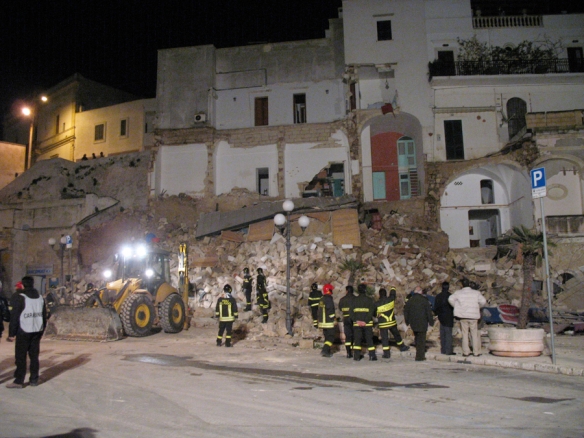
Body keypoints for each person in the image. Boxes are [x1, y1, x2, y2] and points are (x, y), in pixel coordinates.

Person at [7, 276, 47, 388]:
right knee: (34, 357)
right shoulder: (40, 298)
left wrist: (11, 334)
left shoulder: (21, 297)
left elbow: (15, 317)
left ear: (23, 285)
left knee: (21, 357)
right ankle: (34, 379)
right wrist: (42, 331)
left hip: (24, 331)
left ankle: (19, 381)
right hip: (36, 331)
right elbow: (44, 316)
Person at [448, 278, 487, 357]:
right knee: (474, 334)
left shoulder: (458, 293)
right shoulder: (476, 293)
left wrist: (457, 307)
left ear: (462, 285)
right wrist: (478, 307)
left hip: (463, 316)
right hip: (473, 316)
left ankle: (466, 352)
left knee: (465, 334)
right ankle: (476, 352)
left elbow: (450, 299)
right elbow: (483, 301)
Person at [375, 287, 409, 359]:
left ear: (379, 295)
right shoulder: (390, 300)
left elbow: (373, 312)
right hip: (391, 322)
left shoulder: (377, 303)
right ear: (385, 294)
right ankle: (402, 347)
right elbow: (393, 294)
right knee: (396, 335)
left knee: (384, 339)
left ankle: (386, 354)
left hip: (383, 324)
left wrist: (377, 315)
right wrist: (393, 288)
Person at [403, 286, 434, 362]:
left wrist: (407, 322)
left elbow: (406, 312)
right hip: (422, 322)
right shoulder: (424, 300)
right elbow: (428, 312)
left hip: (413, 323)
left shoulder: (410, 301)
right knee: (422, 339)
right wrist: (431, 322)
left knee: (417, 338)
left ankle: (418, 353)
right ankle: (420, 356)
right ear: (421, 292)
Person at [351, 283, 377, 361]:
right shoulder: (370, 300)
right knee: (369, 340)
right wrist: (365, 321)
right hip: (367, 323)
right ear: (365, 290)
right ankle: (372, 356)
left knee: (357, 340)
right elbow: (371, 312)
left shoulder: (353, 300)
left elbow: (351, 312)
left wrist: (356, 320)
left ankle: (356, 356)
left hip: (357, 323)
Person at [433, 281, 455, 355]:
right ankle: (448, 350)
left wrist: (438, 314)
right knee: (448, 334)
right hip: (449, 316)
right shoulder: (451, 296)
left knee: (442, 334)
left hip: (441, 317)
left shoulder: (438, 296)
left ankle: (443, 349)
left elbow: (435, 307)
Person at [318, 283, 336, 358]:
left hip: (322, 322)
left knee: (327, 337)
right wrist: (334, 318)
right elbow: (330, 310)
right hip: (328, 322)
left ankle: (327, 351)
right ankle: (325, 350)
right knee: (331, 337)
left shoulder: (322, 299)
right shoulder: (328, 299)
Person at [338, 285, 355, 358]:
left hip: (346, 318)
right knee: (354, 335)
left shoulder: (342, 299)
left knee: (347, 336)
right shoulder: (355, 299)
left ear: (347, 291)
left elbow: (340, 308)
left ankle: (348, 352)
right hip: (354, 318)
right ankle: (354, 350)